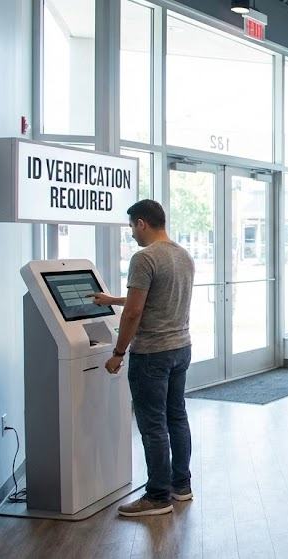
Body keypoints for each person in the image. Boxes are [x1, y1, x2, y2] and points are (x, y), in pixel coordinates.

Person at [92, 199, 195, 517]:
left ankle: (157, 496)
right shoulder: (183, 255)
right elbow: (151, 297)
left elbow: (136, 311)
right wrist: (112, 299)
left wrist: (118, 353)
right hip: (180, 348)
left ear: (142, 224)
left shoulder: (144, 257)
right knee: (176, 417)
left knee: (152, 426)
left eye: (131, 228)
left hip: (151, 353)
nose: (131, 235)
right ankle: (181, 487)